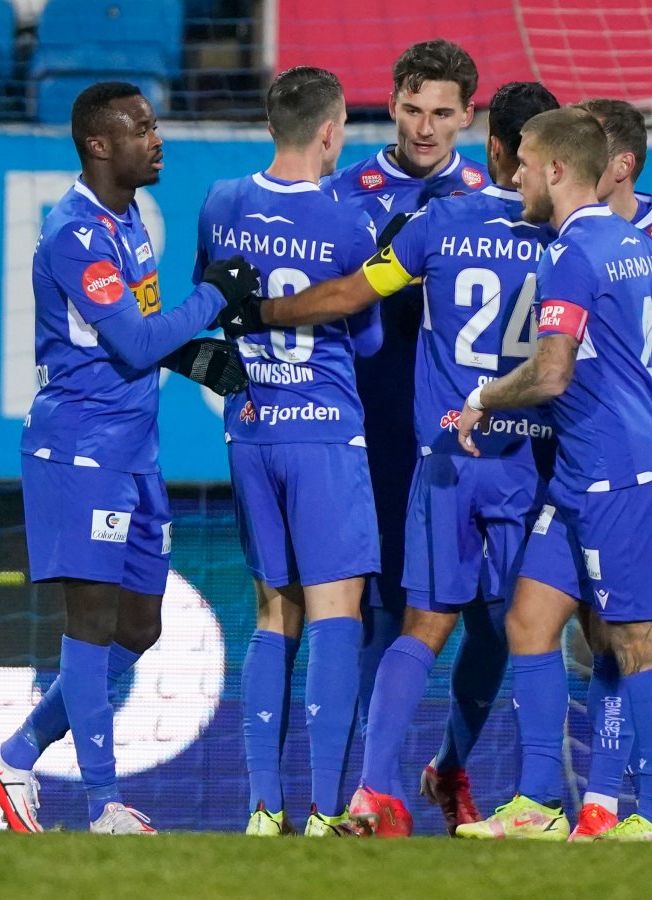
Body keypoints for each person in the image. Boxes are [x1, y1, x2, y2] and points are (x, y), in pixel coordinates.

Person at [229, 81, 563, 839]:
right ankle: (540, 797)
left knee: (422, 621)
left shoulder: (439, 221)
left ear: (490, 142)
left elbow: (353, 296)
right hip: (531, 457)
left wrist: (263, 311)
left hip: (445, 453)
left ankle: (376, 790)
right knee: (524, 626)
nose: (425, 126)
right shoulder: (573, 238)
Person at [0, 82, 253, 834]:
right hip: (80, 451)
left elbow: (129, 335)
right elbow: (134, 342)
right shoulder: (76, 233)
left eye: (154, 124)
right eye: (141, 129)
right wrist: (214, 296)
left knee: (140, 628)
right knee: (91, 622)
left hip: (134, 452)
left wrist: (189, 355)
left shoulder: (129, 218)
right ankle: (102, 805)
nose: (156, 138)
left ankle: (14, 754)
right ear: (99, 145)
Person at [453, 108, 652, 842]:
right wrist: (621, 364)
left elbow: (552, 373)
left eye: (526, 164)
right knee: (529, 622)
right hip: (581, 474)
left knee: (638, 641)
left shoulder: (569, 254)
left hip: (621, 476)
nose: (515, 177)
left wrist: (482, 399)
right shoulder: (639, 245)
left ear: (558, 169)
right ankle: (537, 802)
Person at [198, 66, 382, 839]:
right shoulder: (349, 221)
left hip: (251, 428)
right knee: (338, 611)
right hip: (323, 430)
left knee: (275, 610)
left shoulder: (221, 202)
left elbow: (208, 305)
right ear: (331, 132)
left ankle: (262, 809)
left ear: (272, 124)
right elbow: (367, 340)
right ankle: (325, 811)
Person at [325, 39, 498, 829]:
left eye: (442, 113)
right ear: (391, 103)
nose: (425, 128)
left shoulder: (491, 198)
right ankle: (372, 789)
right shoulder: (344, 192)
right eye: (413, 109)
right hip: (374, 428)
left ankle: (451, 766)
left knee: (497, 616)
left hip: (473, 438)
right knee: (382, 607)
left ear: (468, 116)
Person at [568, 96, 652, 839]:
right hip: (576, 455)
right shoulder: (567, 230)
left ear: (618, 163)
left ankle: (631, 804)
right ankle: (591, 800)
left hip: (635, 456)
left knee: (630, 630)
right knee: (592, 629)